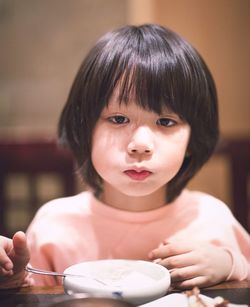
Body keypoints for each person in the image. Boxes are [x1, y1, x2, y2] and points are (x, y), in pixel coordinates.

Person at [0, 24, 249, 290]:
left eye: (165, 122)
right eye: (118, 119)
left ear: (192, 139)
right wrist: (13, 281)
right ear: (85, 129)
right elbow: (32, 292)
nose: (140, 145)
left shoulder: (210, 218)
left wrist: (230, 263)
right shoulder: (55, 225)